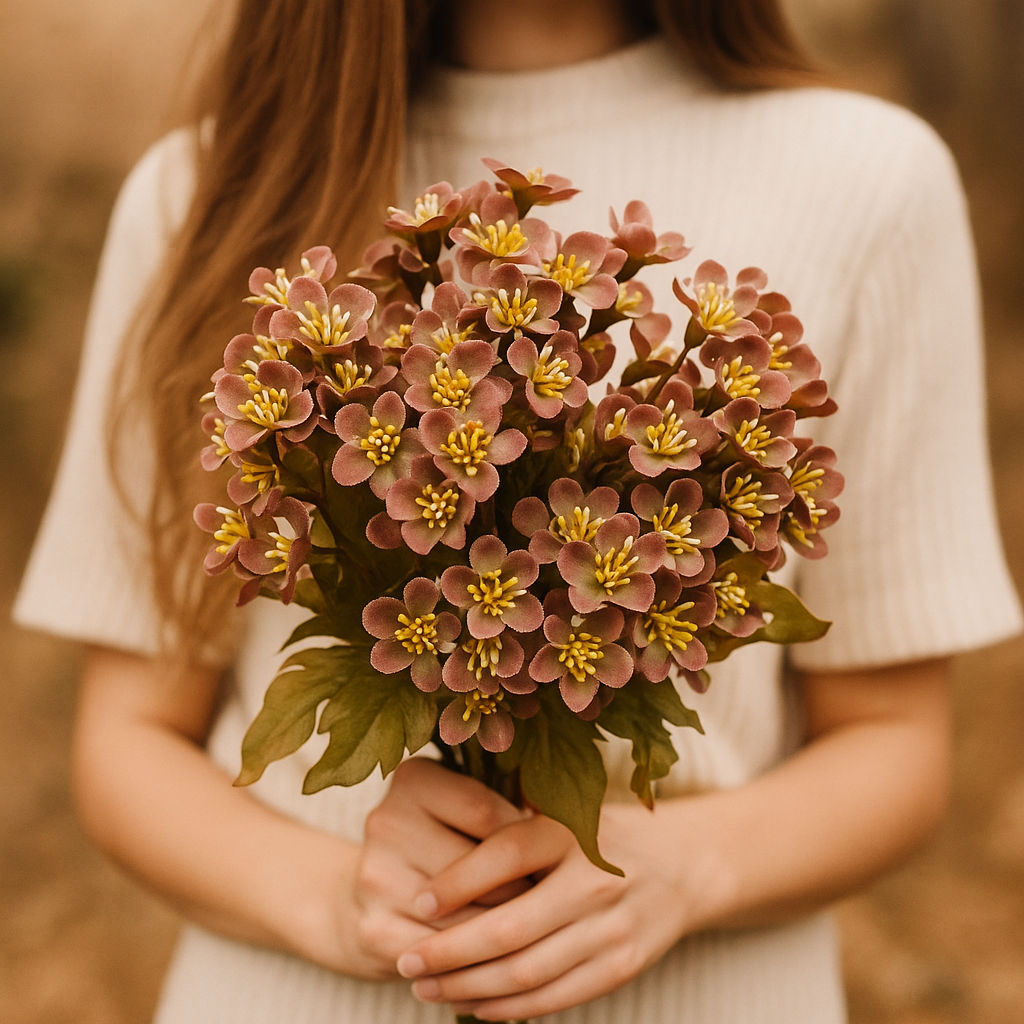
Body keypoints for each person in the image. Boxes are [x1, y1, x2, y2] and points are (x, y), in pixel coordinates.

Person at [14, 1, 1022, 1022]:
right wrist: (339, 899)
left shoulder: (870, 177)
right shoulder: (212, 184)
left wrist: (678, 866)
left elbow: (894, 740)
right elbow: (126, 739)